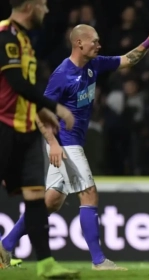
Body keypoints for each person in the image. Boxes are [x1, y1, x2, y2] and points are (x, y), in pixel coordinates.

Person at [0, 14, 149, 270]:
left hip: (70, 142)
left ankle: (5, 245)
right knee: (89, 193)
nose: (99, 45)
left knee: (51, 202)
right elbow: (39, 112)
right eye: (94, 42)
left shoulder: (94, 65)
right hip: (65, 142)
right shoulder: (62, 75)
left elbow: (128, 60)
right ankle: (98, 260)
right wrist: (53, 143)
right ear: (79, 44)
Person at [0, 0, 78, 278]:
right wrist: (54, 107)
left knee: (36, 199)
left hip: (26, 130)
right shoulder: (5, 34)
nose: (47, 10)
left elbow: (25, 89)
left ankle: (46, 265)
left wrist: (42, 112)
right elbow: (16, 84)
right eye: (43, 4)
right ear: (30, 6)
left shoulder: (24, 40)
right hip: (3, 128)